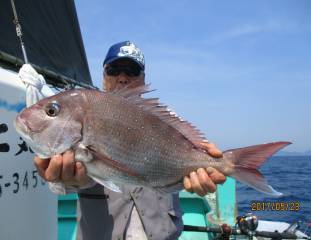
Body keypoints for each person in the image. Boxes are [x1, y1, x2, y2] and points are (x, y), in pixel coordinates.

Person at [33, 41, 226, 240]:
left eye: (132, 71)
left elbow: (196, 154)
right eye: (114, 70)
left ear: (143, 78)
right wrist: (64, 179)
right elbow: (59, 185)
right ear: (104, 77)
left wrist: (208, 166)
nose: (123, 77)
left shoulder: (167, 118)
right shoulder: (81, 112)